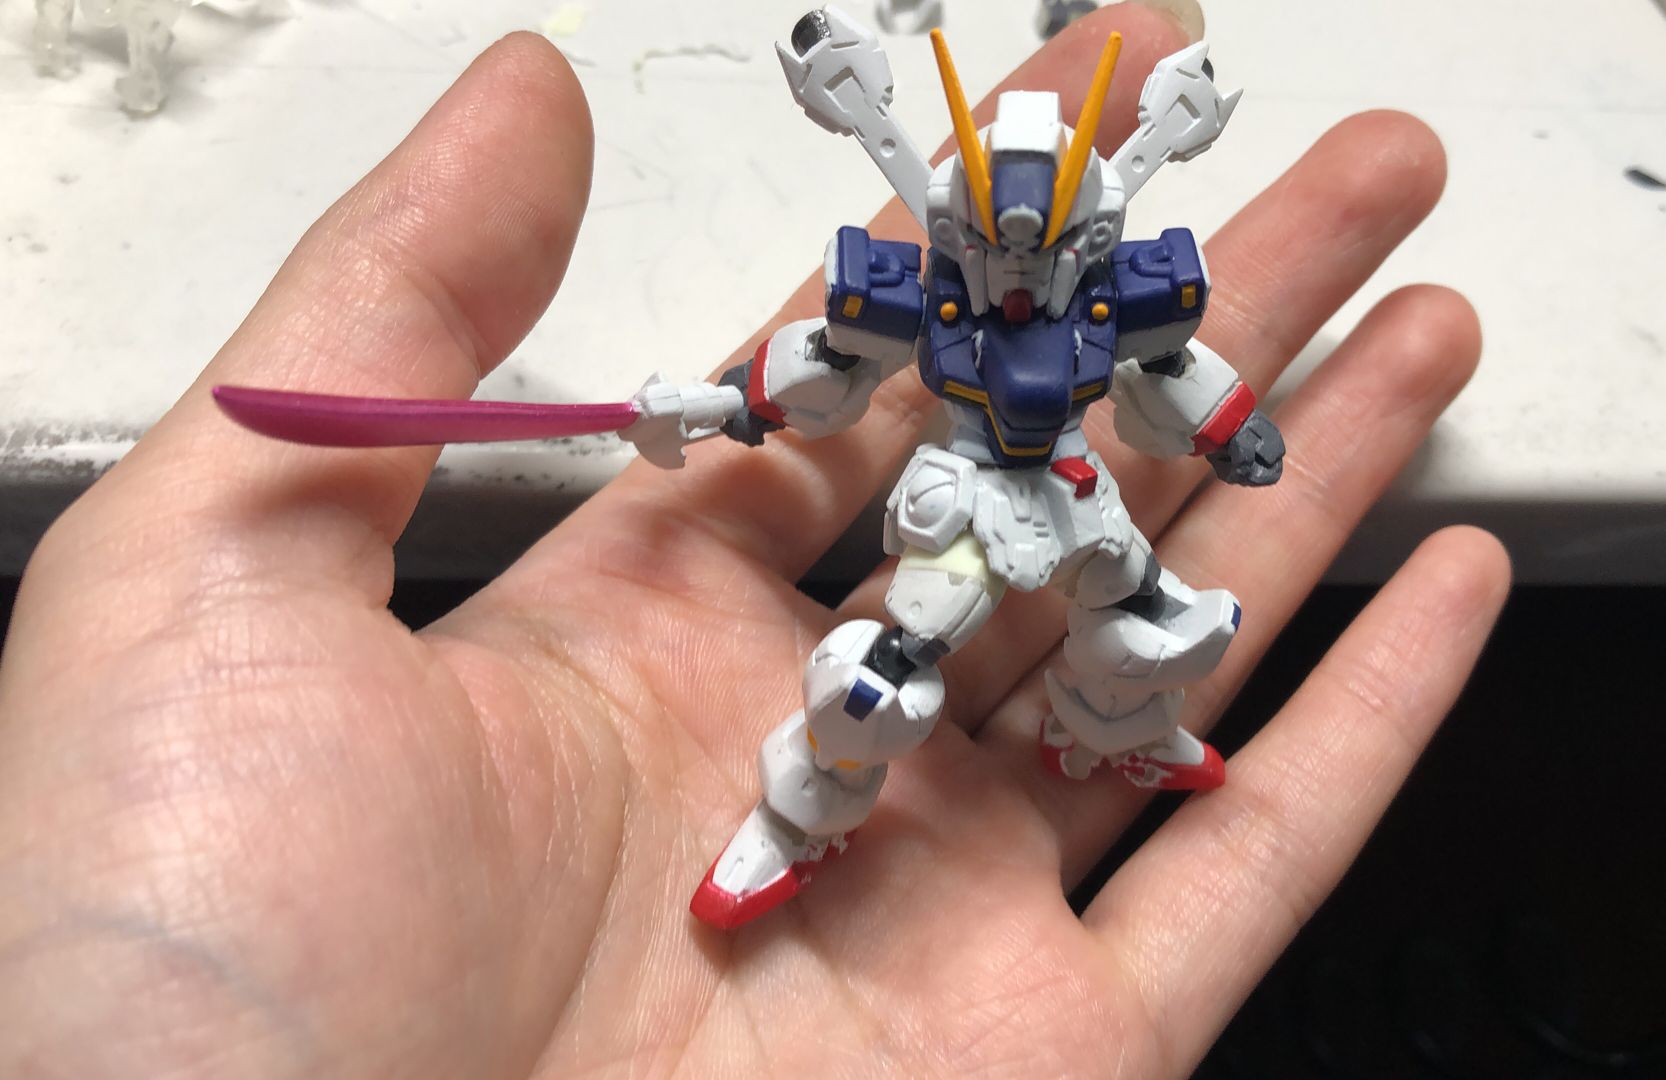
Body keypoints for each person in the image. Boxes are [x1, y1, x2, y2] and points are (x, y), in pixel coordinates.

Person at [0, 6, 1509, 1075]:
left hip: (1070, 484)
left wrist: (1235, 426)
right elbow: (827, 371)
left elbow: (1171, 375)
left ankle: (1106, 731)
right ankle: (795, 819)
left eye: (1051, 253)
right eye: (1001, 250)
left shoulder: (1110, 284)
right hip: (963, 494)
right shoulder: (932, 276)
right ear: (965, 224)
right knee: (891, 666)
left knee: (1152, 614)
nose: (1023, 279)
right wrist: (722, 404)